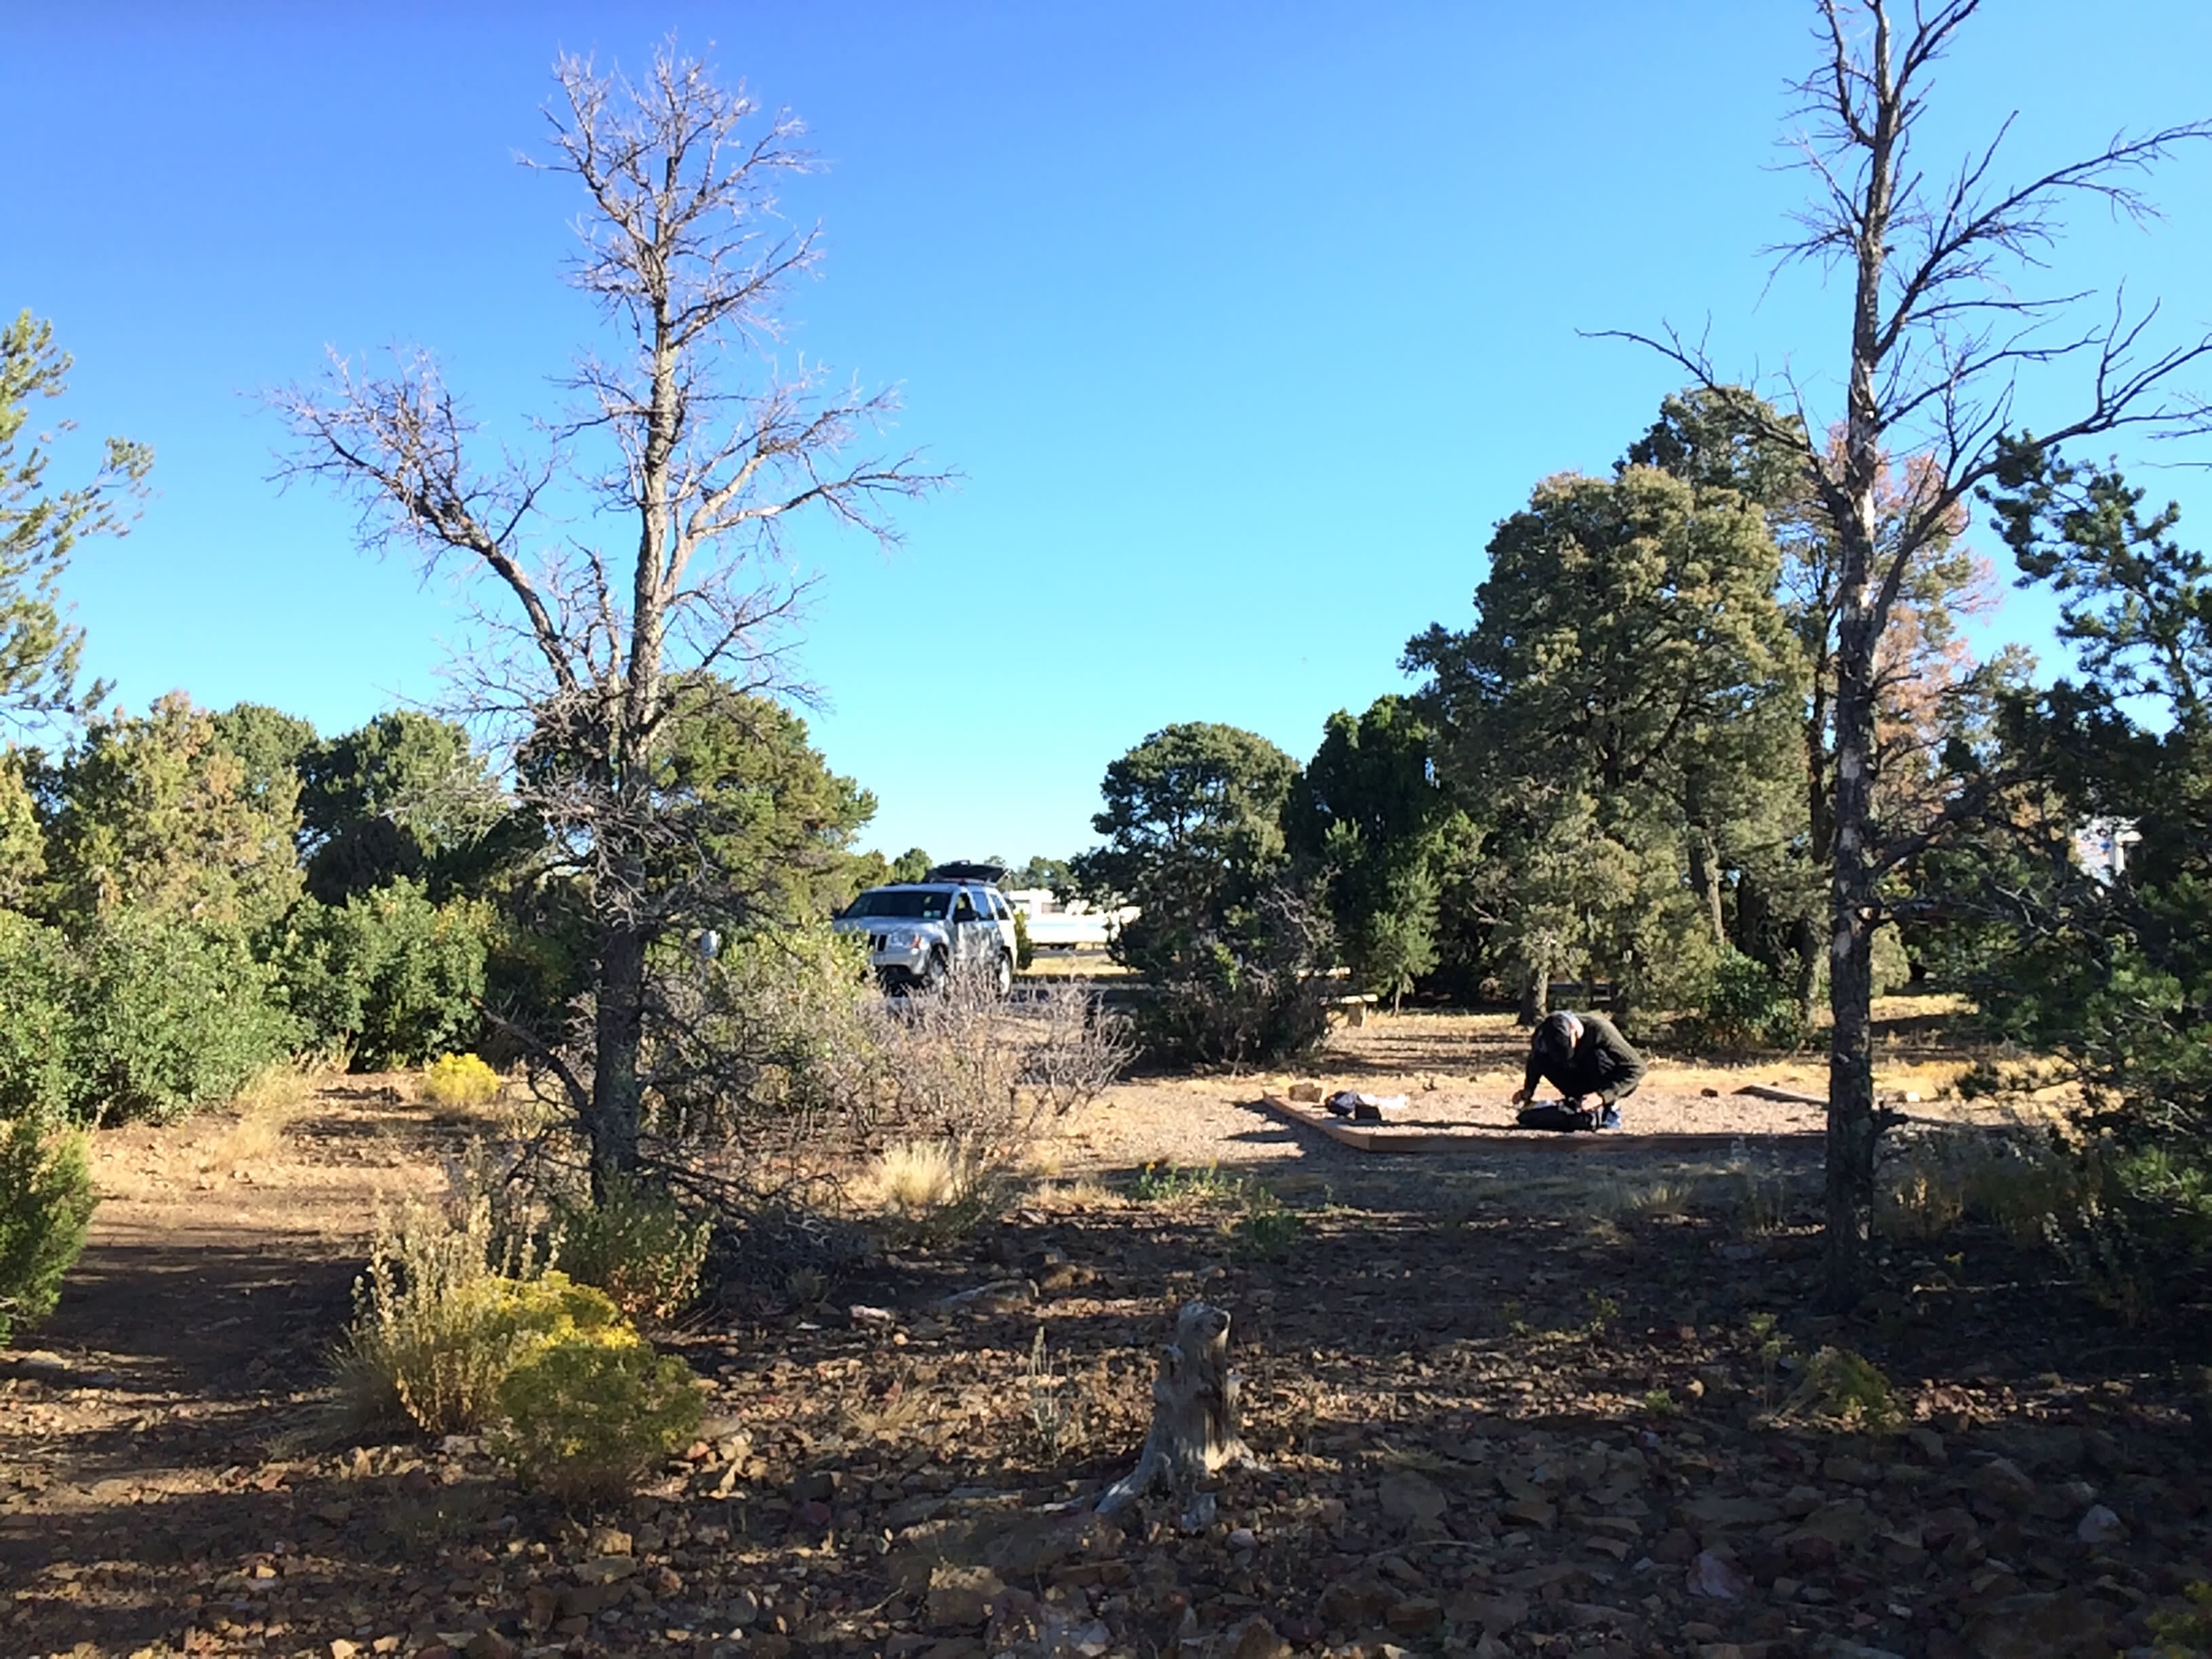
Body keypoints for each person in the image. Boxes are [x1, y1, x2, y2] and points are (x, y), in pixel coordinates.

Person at [1511, 1009, 1645, 1131]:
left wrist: (1603, 1096)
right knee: (1546, 1058)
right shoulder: (1542, 1035)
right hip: (1576, 1074)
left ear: (1574, 1031)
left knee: (1596, 1056)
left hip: (1604, 1079)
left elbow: (1637, 1067)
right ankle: (1576, 1104)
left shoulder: (1599, 1030)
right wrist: (1528, 1090)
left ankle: (1609, 1110)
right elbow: (1536, 1060)